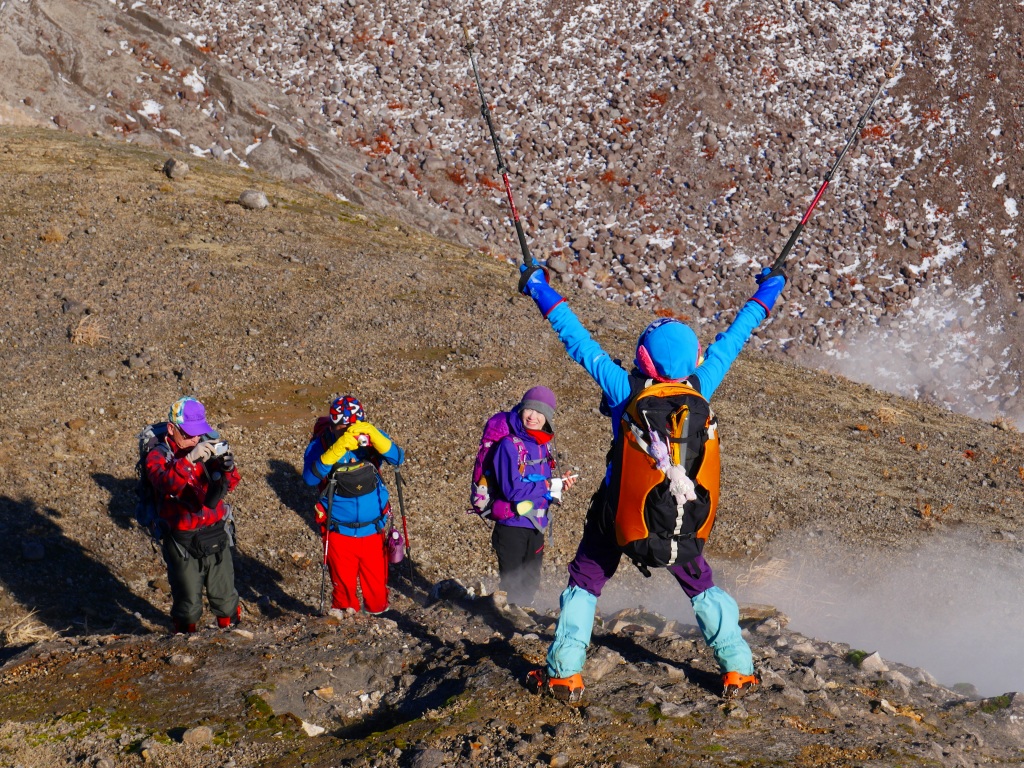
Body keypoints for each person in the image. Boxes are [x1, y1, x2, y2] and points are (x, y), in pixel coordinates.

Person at [518, 259, 787, 701]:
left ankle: (565, 673)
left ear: (644, 358)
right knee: (700, 583)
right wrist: (769, 290)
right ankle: (738, 668)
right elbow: (736, 337)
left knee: (585, 580)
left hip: (618, 512)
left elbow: (576, 338)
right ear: (693, 358)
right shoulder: (700, 387)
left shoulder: (625, 392)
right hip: (675, 512)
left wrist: (538, 287)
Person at [145, 396, 241, 633]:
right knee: (187, 602)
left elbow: (229, 485)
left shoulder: (206, 446)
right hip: (182, 540)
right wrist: (188, 460)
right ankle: (187, 639)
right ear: (171, 429)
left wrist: (227, 469)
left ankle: (230, 634)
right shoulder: (158, 456)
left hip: (216, 530)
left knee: (226, 596)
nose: (195, 439)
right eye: (188, 434)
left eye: (198, 433)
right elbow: (165, 483)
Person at [302, 395, 405, 616]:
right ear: (331, 425)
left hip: (373, 530)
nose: (349, 430)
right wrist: (335, 450)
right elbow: (310, 479)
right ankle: (346, 623)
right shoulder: (320, 444)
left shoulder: (369, 438)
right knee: (343, 589)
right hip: (339, 532)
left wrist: (377, 437)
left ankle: (379, 619)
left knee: (377, 592)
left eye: (353, 425)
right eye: (342, 426)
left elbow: (397, 458)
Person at [489, 386, 577, 606]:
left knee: (530, 582)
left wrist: (558, 487)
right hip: (512, 525)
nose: (533, 417)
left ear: (547, 418)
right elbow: (513, 490)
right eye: (529, 410)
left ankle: (521, 622)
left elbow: (540, 488)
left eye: (540, 413)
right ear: (521, 410)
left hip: (537, 526)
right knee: (512, 583)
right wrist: (548, 484)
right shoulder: (508, 446)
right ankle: (506, 624)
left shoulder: (543, 447)